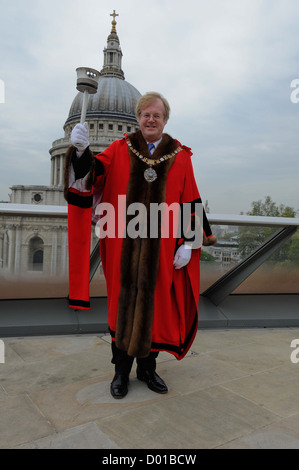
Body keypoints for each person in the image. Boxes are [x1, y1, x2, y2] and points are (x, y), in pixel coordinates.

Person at [64, 92, 216, 399]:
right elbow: (93, 176)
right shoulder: (119, 149)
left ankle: (148, 369)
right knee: (121, 305)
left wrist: (188, 243)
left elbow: (191, 199)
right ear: (137, 118)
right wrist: (80, 152)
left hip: (162, 251)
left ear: (165, 120)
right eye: (146, 114)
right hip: (122, 246)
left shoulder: (180, 157)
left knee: (155, 306)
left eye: (156, 115)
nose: (150, 120)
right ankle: (121, 372)